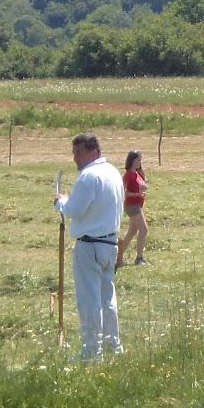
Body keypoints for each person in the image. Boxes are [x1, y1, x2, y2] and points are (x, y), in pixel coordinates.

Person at [54, 134, 125, 359]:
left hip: (90, 245)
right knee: (107, 298)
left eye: (79, 153)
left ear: (94, 152)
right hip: (109, 242)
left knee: (90, 300)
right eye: (74, 153)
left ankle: (92, 351)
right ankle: (113, 347)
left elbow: (74, 209)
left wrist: (60, 202)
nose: (75, 158)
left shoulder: (89, 176)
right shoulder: (113, 172)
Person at [118, 149, 149, 267]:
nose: (139, 162)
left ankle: (118, 257)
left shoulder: (137, 173)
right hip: (131, 205)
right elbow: (123, 193)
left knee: (132, 231)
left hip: (137, 204)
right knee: (144, 229)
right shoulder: (128, 175)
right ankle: (139, 258)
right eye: (137, 160)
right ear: (132, 160)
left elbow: (143, 183)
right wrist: (137, 195)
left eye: (141, 160)